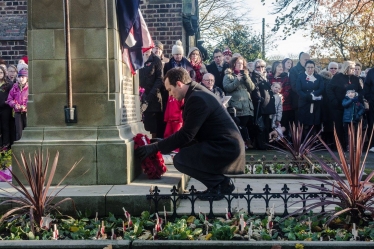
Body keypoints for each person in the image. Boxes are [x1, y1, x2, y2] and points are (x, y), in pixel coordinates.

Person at [135, 68, 245, 194]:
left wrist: (156, 147)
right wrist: (163, 143)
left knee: (181, 160)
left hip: (226, 148)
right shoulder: (196, 93)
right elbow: (191, 135)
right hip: (222, 145)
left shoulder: (196, 98)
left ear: (179, 84)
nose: (170, 94)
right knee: (185, 154)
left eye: (170, 89)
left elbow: (186, 135)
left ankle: (219, 184)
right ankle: (219, 183)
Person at [327, 61, 363, 149]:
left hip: (351, 108)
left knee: (351, 127)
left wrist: (358, 98)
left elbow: (360, 91)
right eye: (352, 68)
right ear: (347, 68)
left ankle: (350, 146)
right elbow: (329, 89)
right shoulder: (337, 77)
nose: (353, 70)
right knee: (339, 127)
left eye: (354, 69)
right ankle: (339, 146)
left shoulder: (355, 79)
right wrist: (334, 101)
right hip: (338, 107)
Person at [223, 56, 255, 149]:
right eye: (239, 64)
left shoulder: (246, 75)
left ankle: (246, 142)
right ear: (234, 64)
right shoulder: (228, 75)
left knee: (244, 125)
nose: (241, 66)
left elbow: (252, 87)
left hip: (246, 105)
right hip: (235, 106)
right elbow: (227, 88)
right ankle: (238, 143)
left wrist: (246, 78)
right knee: (237, 125)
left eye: (242, 64)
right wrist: (237, 80)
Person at [251, 59, 275, 150]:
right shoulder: (254, 76)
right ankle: (261, 145)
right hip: (260, 104)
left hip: (267, 104)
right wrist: (259, 99)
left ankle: (266, 143)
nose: (260, 68)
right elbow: (255, 89)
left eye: (262, 66)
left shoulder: (265, 76)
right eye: (258, 67)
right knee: (260, 125)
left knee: (266, 125)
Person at [139, 49, 164, 138]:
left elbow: (160, 79)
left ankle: (151, 147)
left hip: (153, 99)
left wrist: (149, 97)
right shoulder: (137, 57)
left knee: (152, 127)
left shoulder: (156, 60)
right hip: (139, 97)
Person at [296, 60, 324, 135]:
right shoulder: (300, 77)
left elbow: (321, 88)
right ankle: (304, 143)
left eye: (312, 67)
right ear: (305, 67)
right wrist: (307, 97)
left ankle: (314, 142)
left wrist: (313, 94)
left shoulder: (318, 77)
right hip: (304, 103)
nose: (310, 69)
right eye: (308, 67)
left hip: (316, 103)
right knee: (305, 123)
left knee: (315, 123)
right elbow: (298, 89)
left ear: (314, 68)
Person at [268, 61, 293, 137]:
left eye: (282, 67)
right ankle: (273, 140)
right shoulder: (269, 77)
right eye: (279, 66)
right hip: (271, 105)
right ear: (274, 67)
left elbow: (287, 90)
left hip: (284, 105)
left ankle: (283, 141)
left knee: (283, 124)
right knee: (272, 123)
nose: (281, 68)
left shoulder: (285, 77)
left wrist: (281, 97)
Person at [7, 68, 29, 141]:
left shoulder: (29, 88)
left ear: (27, 78)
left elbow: (31, 99)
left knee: (27, 131)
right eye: (19, 77)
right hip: (17, 113)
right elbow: (9, 99)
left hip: (27, 113)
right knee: (19, 132)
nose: (21, 79)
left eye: (23, 77)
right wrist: (14, 105)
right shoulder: (14, 88)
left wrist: (25, 106)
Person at [289, 52, 311, 122]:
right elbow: (294, 86)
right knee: (299, 125)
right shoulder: (294, 70)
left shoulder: (312, 69)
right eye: (305, 60)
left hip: (310, 102)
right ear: (300, 60)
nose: (307, 62)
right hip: (299, 102)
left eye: (309, 60)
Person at [319, 70, 334, 147]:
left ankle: (322, 142)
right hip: (330, 106)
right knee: (330, 125)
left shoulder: (319, 82)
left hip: (320, 105)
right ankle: (330, 142)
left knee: (321, 125)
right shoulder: (331, 82)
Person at [0, 66, 13, 151]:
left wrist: (6, 102)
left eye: (1, 72)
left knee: (5, 126)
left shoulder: (8, 84)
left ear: (4, 73)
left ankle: (6, 145)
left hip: (5, 109)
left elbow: (11, 96)